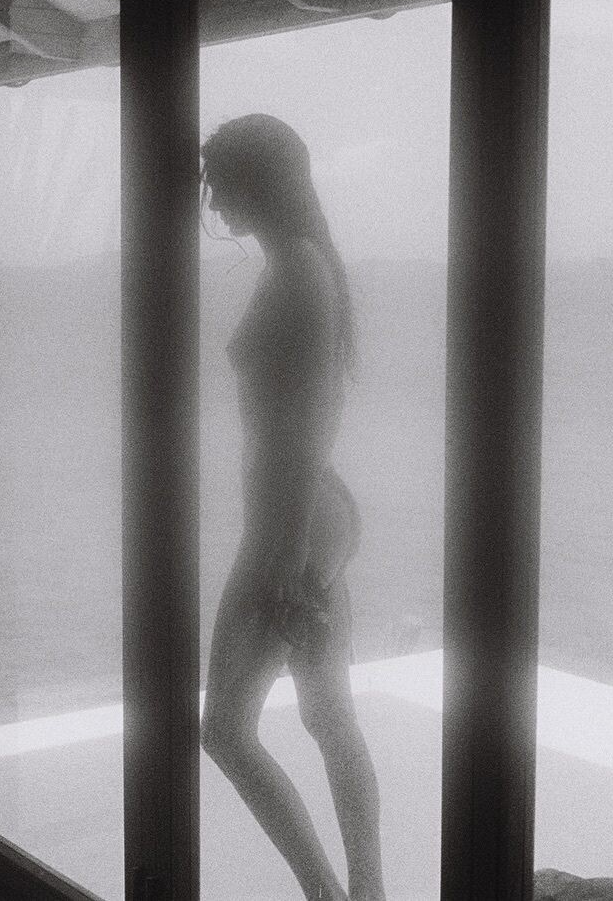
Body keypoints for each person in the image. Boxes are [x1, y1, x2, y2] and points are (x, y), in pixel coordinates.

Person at [199, 114, 386, 901]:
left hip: (292, 519)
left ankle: (332, 896)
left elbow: (306, 429)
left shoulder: (299, 272)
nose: (212, 199)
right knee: (328, 717)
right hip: (308, 515)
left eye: (219, 181)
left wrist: (279, 565)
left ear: (258, 183)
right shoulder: (300, 264)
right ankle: (364, 895)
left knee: (225, 730)